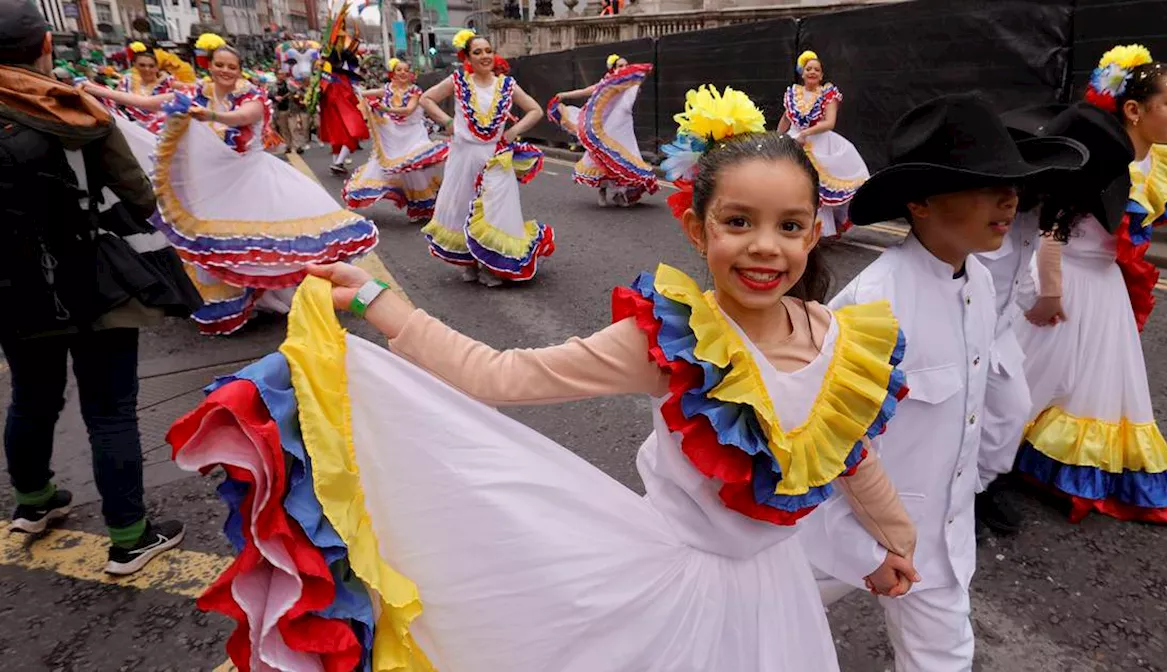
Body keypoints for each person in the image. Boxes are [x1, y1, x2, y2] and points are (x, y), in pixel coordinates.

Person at [170, 85, 922, 671]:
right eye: (738, 222)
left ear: (816, 229)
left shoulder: (839, 341)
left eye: (790, 225)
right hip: (671, 590)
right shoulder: (667, 341)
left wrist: (892, 545)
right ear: (696, 228)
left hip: (778, 590)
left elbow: (853, 457)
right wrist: (381, 304)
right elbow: (501, 375)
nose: (766, 248)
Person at [798, 93, 1086, 671]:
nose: (1010, 199)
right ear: (923, 202)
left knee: (945, 659)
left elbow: (985, 399)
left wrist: (973, 486)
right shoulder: (872, 307)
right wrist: (863, 551)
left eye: (1013, 184)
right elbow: (827, 450)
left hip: (941, 540)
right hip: (843, 539)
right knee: (761, 632)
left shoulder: (979, 282)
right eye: (985, 185)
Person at [0, 0, 201, 575]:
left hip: (14, 286)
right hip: (93, 281)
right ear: (44, 48)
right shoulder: (73, 110)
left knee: (32, 396)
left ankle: (34, 503)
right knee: (109, 409)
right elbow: (140, 195)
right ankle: (129, 537)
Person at [79, 36, 380, 335]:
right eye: (219, 65)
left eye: (231, 66)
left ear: (238, 70)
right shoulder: (194, 93)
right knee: (220, 244)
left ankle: (301, 294)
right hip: (214, 186)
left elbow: (243, 117)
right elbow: (148, 103)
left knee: (277, 240)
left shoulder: (251, 96)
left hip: (254, 179)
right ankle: (243, 300)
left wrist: (210, 115)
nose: (225, 70)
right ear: (209, 66)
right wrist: (95, 90)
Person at [1013, 45, 1167, 524]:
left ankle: (1052, 468)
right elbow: (1052, 226)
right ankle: (985, 468)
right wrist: (1049, 292)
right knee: (1030, 380)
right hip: (1065, 278)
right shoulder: (1097, 156)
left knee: (1095, 390)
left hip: (1104, 286)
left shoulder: (1158, 165)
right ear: (1134, 109)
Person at [969, 102, 1138, 536]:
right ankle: (956, 497)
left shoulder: (1041, 205)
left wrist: (1030, 301)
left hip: (999, 323)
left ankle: (977, 486)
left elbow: (1025, 263)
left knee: (1011, 409)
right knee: (964, 408)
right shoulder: (1002, 198)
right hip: (965, 318)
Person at [419, 29, 553, 287]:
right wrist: (447, 121)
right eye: (477, 52)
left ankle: (492, 265)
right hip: (464, 155)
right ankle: (469, 262)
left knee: (495, 211)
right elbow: (426, 99)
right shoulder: (458, 80)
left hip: (494, 155)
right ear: (467, 58)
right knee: (462, 208)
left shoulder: (506, 84)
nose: (484, 56)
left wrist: (513, 131)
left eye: (488, 51)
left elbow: (535, 110)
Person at [776, 50, 870, 238]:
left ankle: (819, 228)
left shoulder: (828, 94)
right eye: (809, 69)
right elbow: (786, 119)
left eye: (816, 70)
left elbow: (829, 122)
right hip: (794, 141)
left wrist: (806, 133)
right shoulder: (794, 93)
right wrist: (776, 139)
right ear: (802, 73)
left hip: (819, 142)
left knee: (816, 187)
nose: (812, 72)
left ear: (821, 75)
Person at [342, 57, 447, 221]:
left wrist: (384, 108)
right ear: (393, 73)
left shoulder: (415, 91)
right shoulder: (387, 89)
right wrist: (350, 91)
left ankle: (425, 205)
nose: (403, 73)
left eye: (406, 70)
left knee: (416, 167)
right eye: (399, 70)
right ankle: (418, 206)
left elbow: (408, 110)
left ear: (411, 74)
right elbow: (360, 95)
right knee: (395, 170)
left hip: (413, 134)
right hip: (393, 136)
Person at [550, 53, 658, 207]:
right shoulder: (605, 84)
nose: (624, 68)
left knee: (624, 158)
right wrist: (563, 95)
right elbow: (584, 91)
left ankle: (619, 193)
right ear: (613, 68)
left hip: (622, 124)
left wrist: (642, 72)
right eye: (620, 66)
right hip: (604, 127)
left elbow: (639, 80)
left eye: (626, 65)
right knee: (602, 157)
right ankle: (602, 190)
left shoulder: (630, 83)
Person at [319, 46, 368, 175]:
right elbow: (348, 97)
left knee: (337, 137)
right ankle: (338, 163)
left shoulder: (326, 78)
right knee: (353, 133)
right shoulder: (341, 78)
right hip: (343, 110)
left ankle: (336, 163)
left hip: (331, 112)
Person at [110, 42, 173, 133]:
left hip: (163, 131)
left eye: (151, 66)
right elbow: (114, 102)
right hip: (134, 131)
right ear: (135, 65)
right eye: (142, 65)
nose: (147, 69)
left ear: (157, 67)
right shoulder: (127, 81)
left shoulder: (168, 83)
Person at [272, 58, 309, 153]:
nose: (282, 75)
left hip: (291, 109)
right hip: (280, 109)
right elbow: (269, 94)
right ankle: (288, 145)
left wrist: (297, 90)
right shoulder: (273, 85)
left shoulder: (290, 83)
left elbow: (300, 92)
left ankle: (297, 146)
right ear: (276, 75)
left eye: (283, 73)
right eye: (279, 74)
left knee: (294, 128)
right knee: (284, 128)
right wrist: (275, 97)